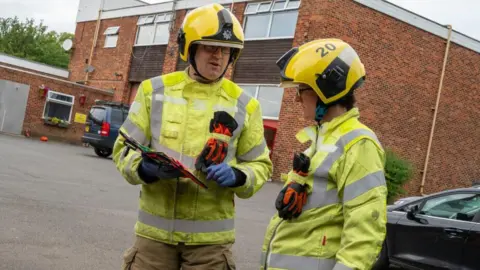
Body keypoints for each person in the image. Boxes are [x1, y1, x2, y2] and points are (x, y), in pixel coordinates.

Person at [112, 3, 273, 270]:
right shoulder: (153, 91)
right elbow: (123, 149)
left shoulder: (246, 105)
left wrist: (239, 176)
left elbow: (261, 166)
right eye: (210, 47)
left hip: (209, 246)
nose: (218, 57)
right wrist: (143, 168)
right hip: (154, 240)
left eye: (225, 50)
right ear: (190, 48)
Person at [260, 38, 388, 270]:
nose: (297, 98)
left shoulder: (359, 144)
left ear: (326, 90)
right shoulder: (323, 139)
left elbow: (364, 233)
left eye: (302, 89)